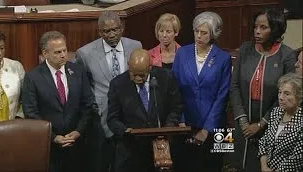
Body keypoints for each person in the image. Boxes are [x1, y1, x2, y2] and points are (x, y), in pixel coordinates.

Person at [229, 8, 297, 172]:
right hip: (239, 122)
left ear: (275, 29)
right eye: (255, 27)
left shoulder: (286, 55)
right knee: (232, 164)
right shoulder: (245, 49)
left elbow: (285, 95)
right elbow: (234, 86)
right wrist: (243, 120)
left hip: (270, 125)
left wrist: (261, 123)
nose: (257, 31)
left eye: (263, 27)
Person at [75, 11, 142, 172]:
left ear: (122, 28)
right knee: (101, 163)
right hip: (101, 117)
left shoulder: (135, 46)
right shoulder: (85, 53)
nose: (111, 34)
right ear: (99, 32)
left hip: (130, 115)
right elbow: (83, 87)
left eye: (115, 30)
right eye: (106, 31)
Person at [22, 31, 98, 172]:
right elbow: (31, 112)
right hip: (49, 147)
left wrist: (78, 131)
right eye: (57, 52)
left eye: (64, 50)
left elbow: (87, 105)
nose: (63, 55)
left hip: (77, 144)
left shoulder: (78, 71)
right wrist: (54, 137)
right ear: (45, 53)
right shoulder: (33, 77)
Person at [172, 11, 232, 172]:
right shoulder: (182, 53)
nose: (198, 35)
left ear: (213, 34)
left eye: (204, 32)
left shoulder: (224, 58)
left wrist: (207, 129)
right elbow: (174, 90)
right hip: (185, 125)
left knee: (215, 166)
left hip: (217, 126)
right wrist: (182, 121)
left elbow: (223, 96)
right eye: (196, 31)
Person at [107, 48, 183, 172]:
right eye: (134, 74)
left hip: (160, 148)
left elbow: (176, 107)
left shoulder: (166, 77)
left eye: (142, 75)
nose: (138, 78)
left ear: (150, 67)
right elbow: (112, 118)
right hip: (131, 149)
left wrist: (168, 127)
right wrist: (124, 130)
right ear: (128, 66)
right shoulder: (118, 84)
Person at [258, 73, 303, 171]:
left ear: (299, 96)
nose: (281, 97)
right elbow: (264, 141)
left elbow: (298, 158)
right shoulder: (276, 112)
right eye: (279, 92)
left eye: (287, 94)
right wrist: (264, 166)